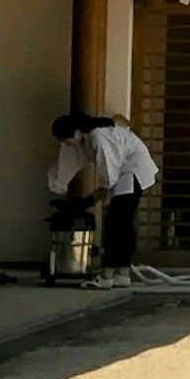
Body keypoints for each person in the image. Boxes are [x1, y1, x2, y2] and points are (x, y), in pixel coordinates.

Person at [47, 110, 160, 284]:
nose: (66, 145)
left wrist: (96, 196)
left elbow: (109, 169)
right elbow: (69, 162)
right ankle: (122, 273)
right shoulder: (85, 140)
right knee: (121, 224)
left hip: (132, 172)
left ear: (76, 132)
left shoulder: (98, 137)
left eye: (66, 140)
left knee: (116, 224)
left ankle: (108, 275)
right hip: (127, 174)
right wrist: (58, 185)